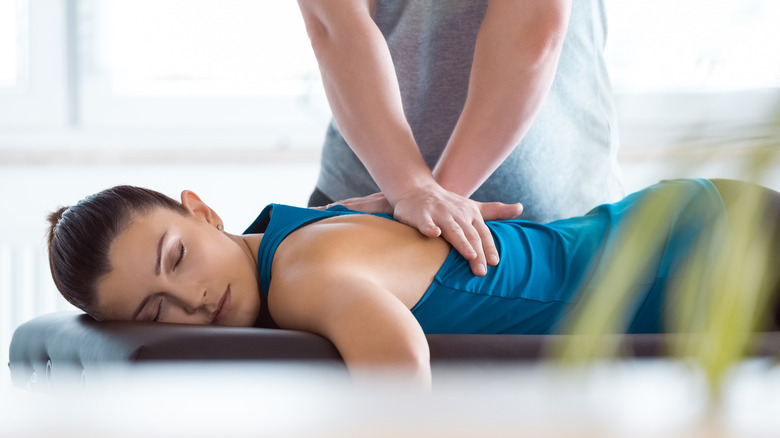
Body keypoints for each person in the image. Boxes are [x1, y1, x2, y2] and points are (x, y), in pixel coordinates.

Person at [47, 178, 780, 387]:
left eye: (177, 259)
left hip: (696, 256)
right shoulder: (298, 227)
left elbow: (399, 369)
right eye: (154, 309)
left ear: (202, 211)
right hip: (680, 224)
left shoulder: (301, 273)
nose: (192, 302)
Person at [296, 0, 624, 276]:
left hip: (552, 223)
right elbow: (336, 28)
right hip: (366, 208)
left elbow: (531, 29)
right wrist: (415, 194)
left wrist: (429, 202)